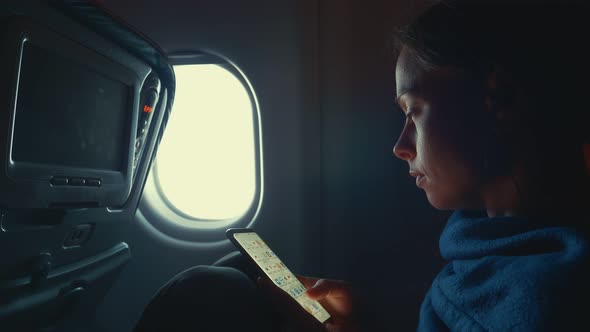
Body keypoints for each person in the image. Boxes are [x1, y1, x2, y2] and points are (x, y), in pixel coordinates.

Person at [135, 1, 590, 331]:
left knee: (210, 293)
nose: (400, 146)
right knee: (233, 271)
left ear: (500, 101)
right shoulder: (488, 248)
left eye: (413, 112)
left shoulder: (547, 297)